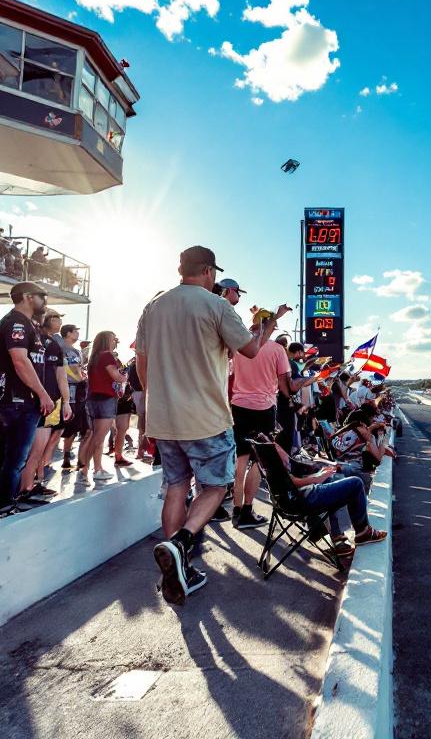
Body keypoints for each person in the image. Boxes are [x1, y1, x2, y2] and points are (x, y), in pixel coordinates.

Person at [134, 246, 288, 604]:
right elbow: (251, 350)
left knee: (176, 486)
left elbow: (142, 365)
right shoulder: (216, 305)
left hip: (164, 417)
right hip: (204, 417)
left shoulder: (153, 306)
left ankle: (177, 567)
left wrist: (152, 407)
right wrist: (268, 325)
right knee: (216, 488)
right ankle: (181, 542)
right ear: (207, 272)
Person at [0, 282, 54, 521]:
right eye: (42, 296)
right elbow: (20, 361)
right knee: (14, 457)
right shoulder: (16, 322)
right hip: (17, 400)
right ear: (27, 297)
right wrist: (43, 394)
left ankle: (1, 501)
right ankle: (3, 505)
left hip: (17, 400)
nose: (45, 300)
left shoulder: (26, 324)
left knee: (7, 456)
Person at [229, 317, 292, 530]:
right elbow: (286, 382)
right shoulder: (276, 349)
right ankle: (247, 509)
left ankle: (236, 511)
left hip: (238, 405)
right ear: (268, 329)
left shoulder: (239, 348)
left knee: (240, 461)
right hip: (263, 408)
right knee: (257, 461)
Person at [19, 309, 69, 501]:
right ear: (46, 320)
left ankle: (35, 483)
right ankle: (24, 490)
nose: (60, 321)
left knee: (41, 447)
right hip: (34, 401)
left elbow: (61, 375)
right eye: (56, 317)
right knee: (33, 449)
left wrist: (64, 402)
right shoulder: (33, 339)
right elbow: (60, 375)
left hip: (49, 401)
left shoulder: (53, 344)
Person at [77, 330, 125, 483]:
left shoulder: (95, 357)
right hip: (105, 399)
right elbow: (116, 377)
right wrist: (125, 377)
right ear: (106, 340)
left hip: (92, 398)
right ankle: (84, 470)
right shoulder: (107, 355)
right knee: (98, 438)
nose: (115, 340)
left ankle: (97, 468)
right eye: (113, 338)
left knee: (94, 436)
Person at [57, 324, 88, 470]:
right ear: (68, 333)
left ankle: (67, 456)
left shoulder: (74, 350)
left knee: (73, 427)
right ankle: (65, 457)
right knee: (67, 425)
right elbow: (69, 370)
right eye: (75, 331)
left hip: (74, 391)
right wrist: (80, 378)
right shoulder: (65, 349)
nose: (77, 334)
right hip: (69, 390)